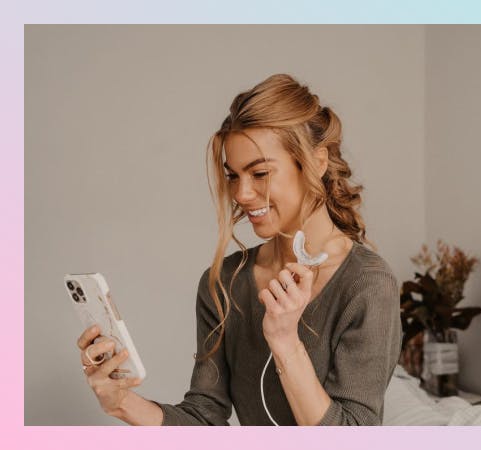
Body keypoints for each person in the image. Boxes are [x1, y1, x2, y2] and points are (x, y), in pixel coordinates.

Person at [76, 74, 402, 426]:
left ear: (317, 162)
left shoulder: (367, 284)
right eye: (233, 175)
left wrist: (284, 340)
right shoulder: (224, 283)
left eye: (259, 173)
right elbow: (203, 418)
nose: (241, 194)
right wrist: (121, 403)